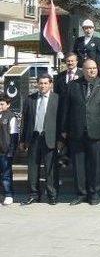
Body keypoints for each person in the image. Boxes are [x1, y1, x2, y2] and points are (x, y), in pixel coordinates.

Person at [62, 59, 100, 205]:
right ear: (82, 70)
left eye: (94, 68)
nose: (92, 71)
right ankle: (81, 193)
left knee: (96, 164)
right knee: (79, 164)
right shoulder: (72, 86)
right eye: (89, 68)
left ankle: (94, 193)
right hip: (77, 131)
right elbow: (66, 109)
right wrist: (64, 129)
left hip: (97, 131)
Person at [20, 74, 61, 205]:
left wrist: (61, 140)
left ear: (50, 84)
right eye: (40, 83)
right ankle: (34, 194)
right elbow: (24, 121)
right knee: (33, 167)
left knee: (51, 168)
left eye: (45, 83)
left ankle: (52, 194)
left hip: (50, 138)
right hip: (33, 138)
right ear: (37, 84)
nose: (43, 86)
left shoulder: (57, 99)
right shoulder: (30, 99)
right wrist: (22, 140)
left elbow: (60, 121)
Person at [0, 95, 18, 205]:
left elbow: (14, 135)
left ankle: (8, 194)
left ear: (8, 104)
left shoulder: (11, 116)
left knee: (6, 175)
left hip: (5, 151)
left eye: (2, 104)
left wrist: (11, 151)